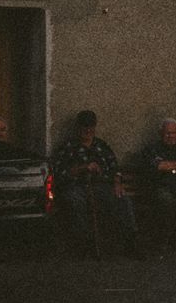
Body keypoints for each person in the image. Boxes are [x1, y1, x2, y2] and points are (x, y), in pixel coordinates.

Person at [53, 109, 139, 256]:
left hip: (101, 185)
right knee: (74, 201)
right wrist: (83, 168)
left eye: (90, 127)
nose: (87, 130)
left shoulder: (102, 146)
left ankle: (131, 242)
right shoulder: (67, 148)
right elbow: (60, 172)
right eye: (84, 127)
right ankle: (84, 244)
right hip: (77, 186)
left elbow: (114, 167)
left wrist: (117, 183)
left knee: (122, 200)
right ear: (78, 128)